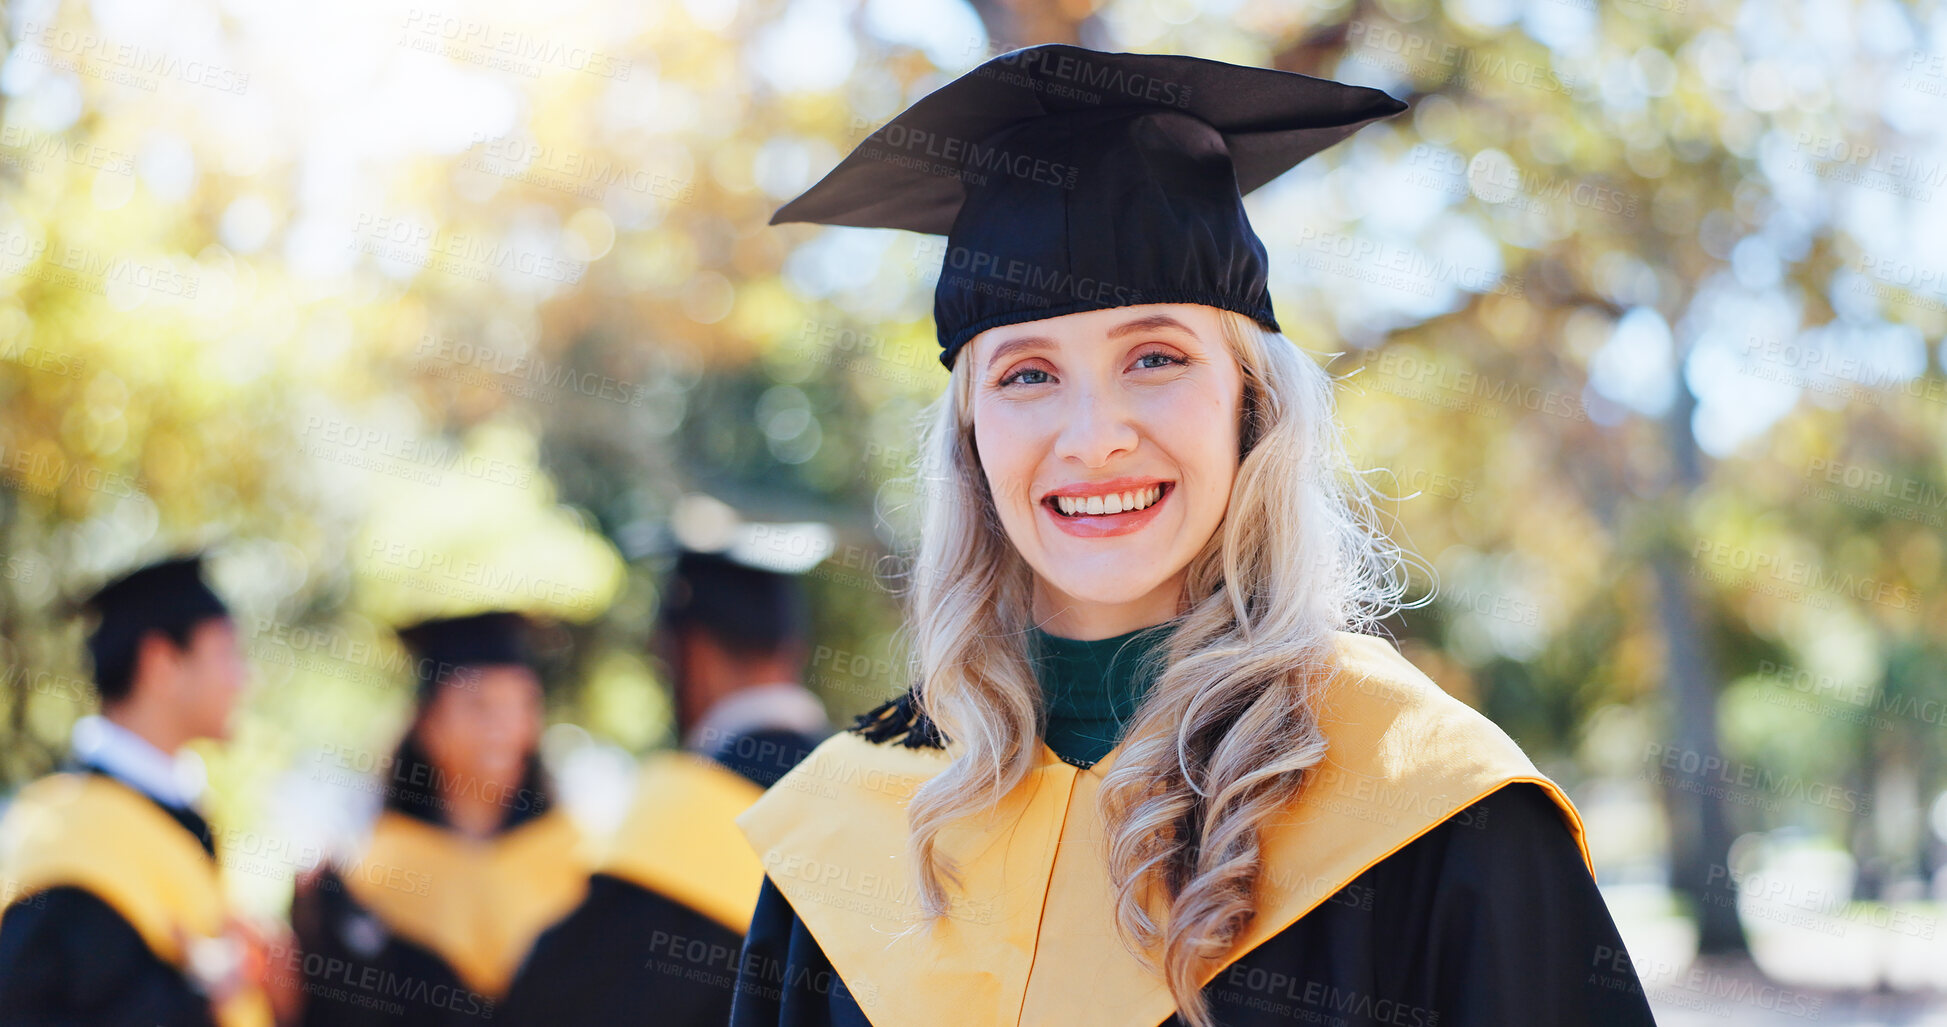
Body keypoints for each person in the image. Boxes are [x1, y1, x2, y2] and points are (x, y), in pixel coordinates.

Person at [726, 44, 1660, 1027]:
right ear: (970, 436)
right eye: (1027, 374)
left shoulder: (1431, 809)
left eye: (1157, 357)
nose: (1093, 439)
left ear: (1249, 404)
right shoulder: (852, 830)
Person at [500, 495, 833, 1025]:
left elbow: (549, 1004)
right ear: (791, 650)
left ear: (687, 653)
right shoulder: (864, 797)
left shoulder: (677, 823)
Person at [0, 554, 280, 1027]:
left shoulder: (181, 813)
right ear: (162, 663)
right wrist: (201, 995)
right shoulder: (66, 834)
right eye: (229, 654)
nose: (245, 678)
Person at [286, 611, 587, 1026]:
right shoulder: (373, 875)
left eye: (520, 705)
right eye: (479, 705)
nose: (501, 727)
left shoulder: (574, 863)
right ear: (429, 724)